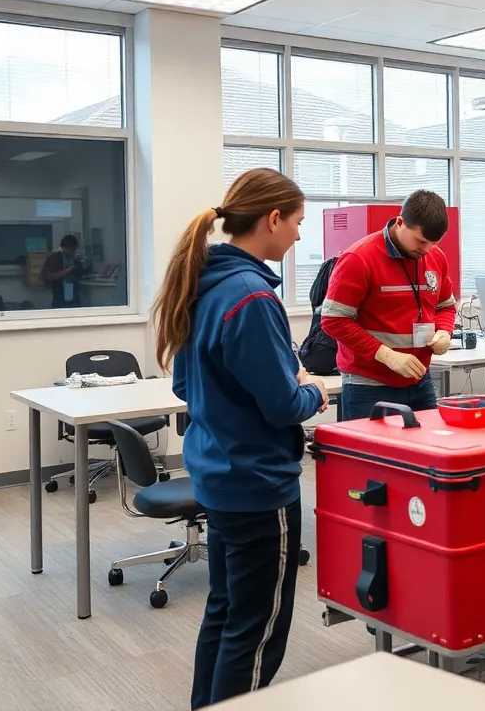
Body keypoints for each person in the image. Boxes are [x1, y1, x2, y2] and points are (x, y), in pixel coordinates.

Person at [152, 168, 329, 710]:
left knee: (226, 612)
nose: (299, 235)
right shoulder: (252, 296)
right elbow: (281, 406)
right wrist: (313, 392)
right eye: (297, 222)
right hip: (258, 485)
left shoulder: (203, 282)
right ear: (271, 219)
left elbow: (184, 383)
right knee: (257, 631)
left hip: (218, 476)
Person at [322, 190, 456, 418]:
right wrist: (386, 355)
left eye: (432, 243)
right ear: (400, 222)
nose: (426, 250)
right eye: (420, 241)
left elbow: (445, 306)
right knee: (372, 453)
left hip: (419, 377)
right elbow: (334, 321)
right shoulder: (359, 258)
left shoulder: (435, 257)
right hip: (369, 383)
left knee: (427, 449)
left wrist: (444, 331)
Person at [41, 234, 85, 308]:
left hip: (74, 299)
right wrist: (66, 272)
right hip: (59, 298)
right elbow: (47, 276)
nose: (69, 251)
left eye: (72, 249)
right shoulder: (54, 259)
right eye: (67, 248)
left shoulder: (76, 260)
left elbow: (81, 276)